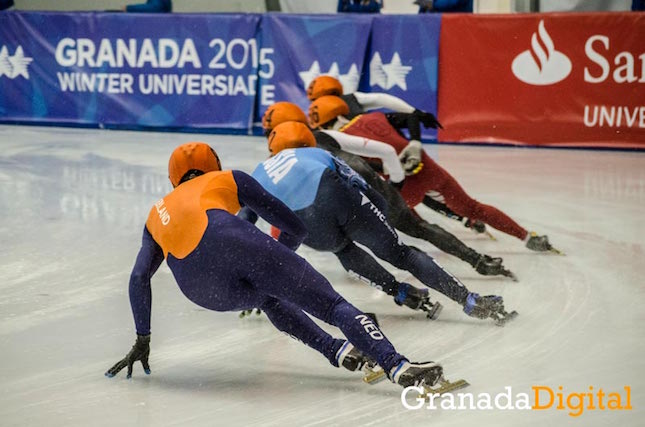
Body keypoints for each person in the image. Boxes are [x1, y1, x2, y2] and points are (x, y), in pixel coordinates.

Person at [104, 141, 449, 389]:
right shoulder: (227, 179)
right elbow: (294, 226)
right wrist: (281, 264)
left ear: (172, 179)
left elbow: (138, 278)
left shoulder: (154, 214)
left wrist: (142, 337)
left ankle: (337, 350)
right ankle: (397, 365)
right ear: (214, 166)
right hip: (236, 243)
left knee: (268, 299)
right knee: (332, 305)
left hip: (201, 290)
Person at [242, 121, 516, 325]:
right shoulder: (316, 152)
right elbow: (358, 179)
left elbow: (245, 219)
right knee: (402, 254)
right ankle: (468, 300)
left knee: (343, 250)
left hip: (307, 227)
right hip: (339, 198)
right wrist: (380, 209)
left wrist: (254, 273)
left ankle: (400, 292)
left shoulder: (256, 173)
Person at [262, 102, 515, 281]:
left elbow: (279, 208)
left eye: (269, 132)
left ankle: (400, 291)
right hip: (371, 190)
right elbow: (383, 150)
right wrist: (396, 184)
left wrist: (273, 266)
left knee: (346, 248)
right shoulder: (325, 135)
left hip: (336, 205)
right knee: (418, 231)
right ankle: (477, 260)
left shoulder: (279, 160)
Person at [308, 95, 557, 252]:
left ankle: (463, 246)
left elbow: (364, 169)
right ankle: (526, 237)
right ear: (342, 112)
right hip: (426, 167)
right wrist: (415, 143)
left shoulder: (338, 141)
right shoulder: (375, 116)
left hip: (401, 187)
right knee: (473, 206)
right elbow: (412, 116)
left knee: (412, 221)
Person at [306, 75, 488, 237]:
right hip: (395, 148)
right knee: (423, 189)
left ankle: (425, 225)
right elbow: (382, 98)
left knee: (407, 197)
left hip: (372, 161)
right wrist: (413, 112)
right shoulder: (351, 100)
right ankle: (463, 218)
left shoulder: (321, 118)